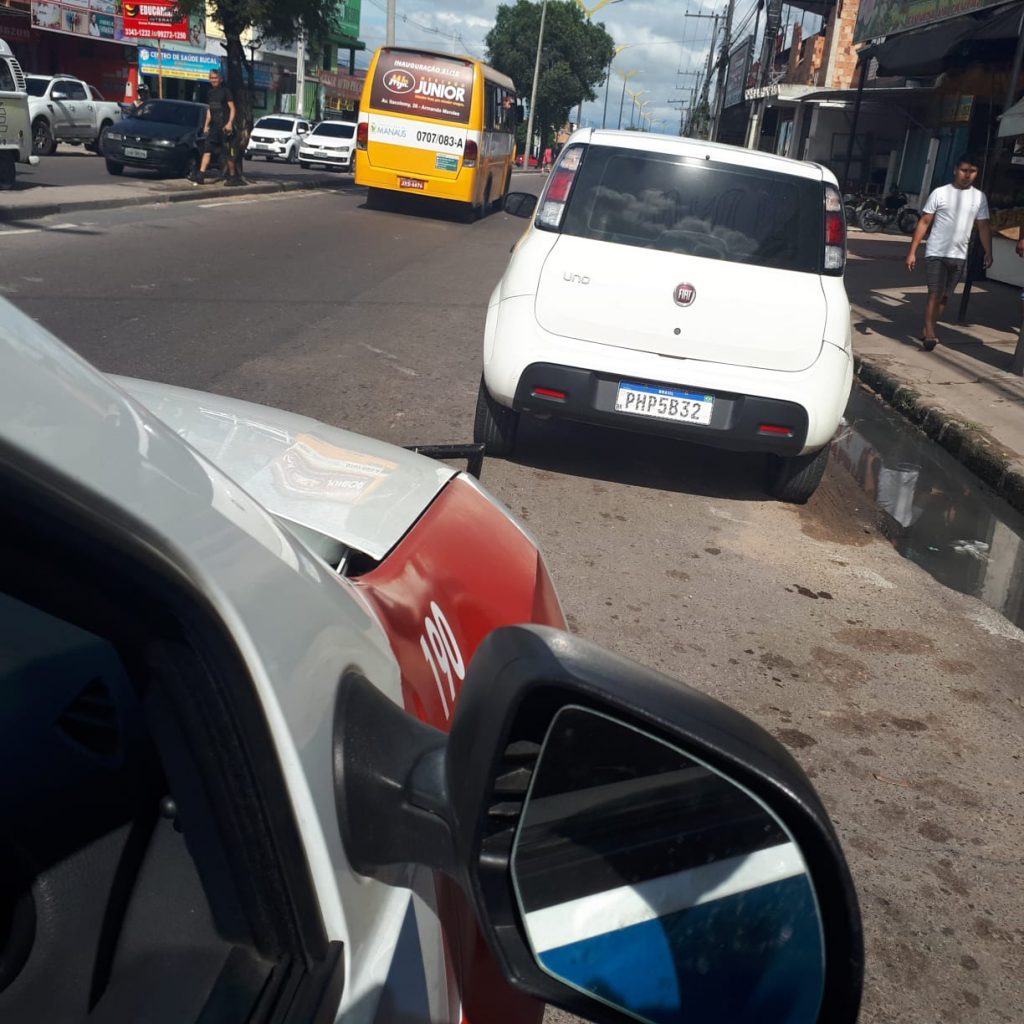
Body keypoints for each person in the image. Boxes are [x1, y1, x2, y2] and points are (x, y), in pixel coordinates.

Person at [906, 154, 992, 351]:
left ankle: (929, 327)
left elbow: (984, 226)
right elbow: (925, 222)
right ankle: (929, 333)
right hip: (936, 252)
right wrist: (912, 252)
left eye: (972, 172)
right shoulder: (940, 193)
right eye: (964, 170)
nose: (967, 175)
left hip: (959, 255)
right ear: (955, 170)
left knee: (945, 296)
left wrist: (988, 252)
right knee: (934, 293)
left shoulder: (979, 197)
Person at [193, 68, 240, 186]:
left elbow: (233, 109)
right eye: (211, 78)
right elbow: (210, 110)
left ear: (220, 79)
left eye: (215, 78)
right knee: (207, 150)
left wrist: (230, 123)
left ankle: (233, 177)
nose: (213, 80)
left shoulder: (226, 92)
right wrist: (206, 125)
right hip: (214, 127)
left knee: (227, 154)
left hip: (225, 127)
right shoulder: (210, 93)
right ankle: (201, 175)